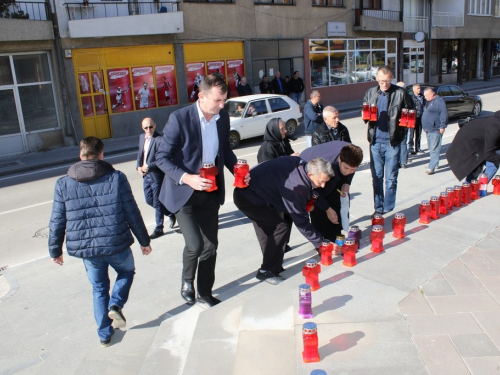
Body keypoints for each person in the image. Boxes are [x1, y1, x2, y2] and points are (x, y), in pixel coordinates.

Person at [156, 74, 249, 308]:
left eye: (224, 101)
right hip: (184, 192)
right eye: (217, 101)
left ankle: (205, 291)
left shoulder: (223, 117)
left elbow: (225, 151)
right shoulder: (180, 118)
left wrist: (238, 169)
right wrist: (187, 178)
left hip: (210, 191)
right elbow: (161, 158)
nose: (221, 106)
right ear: (201, 96)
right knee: (195, 245)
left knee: (211, 246)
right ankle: (187, 281)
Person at [48, 137, 152, 347]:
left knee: (98, 288)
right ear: (101, 155)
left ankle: (104, 335)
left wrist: (54, 250)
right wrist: (144, 240)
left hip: (88, 250)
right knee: (126, 272)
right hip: (116, 243)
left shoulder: (63, 183)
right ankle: (116, 305)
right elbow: (131, 211)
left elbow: (57, 220)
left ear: (81, 155)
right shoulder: (116, 177)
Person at [233, 157, 333, 285]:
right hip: (249, 198)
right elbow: (301, 222)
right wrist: (320, 244)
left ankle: (272, 265)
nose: (323, 185)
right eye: (321, 182)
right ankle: (266, 270)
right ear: (310, 174)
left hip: (260, 194)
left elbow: (309, 191)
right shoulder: (297, 185)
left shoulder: (303, 165)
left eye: (325, 182)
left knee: (269, 230)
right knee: (280, 227)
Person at [363, 65, 414, 217]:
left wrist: (401, 132)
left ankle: (388, 207)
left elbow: (411, 112)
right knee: (377, 177)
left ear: (392, 79)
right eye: (381, 80)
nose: (384, 84)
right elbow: (365, 112)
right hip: (375, 142)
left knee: (391, 178)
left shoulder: (401, 93)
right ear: (376, 79)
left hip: (392, 142)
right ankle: (378, 208)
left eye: (387, 80)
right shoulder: (371, 92)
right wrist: (365, 115)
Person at [301, 142, 363, 241]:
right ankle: (321, 242)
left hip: (334, 170)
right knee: (320, 209)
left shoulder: (351, 153)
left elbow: (349, 169)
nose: (348, 172)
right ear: (340, 159)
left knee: (336, 201)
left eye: (352, 170)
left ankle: (335, 236)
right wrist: (327, 209)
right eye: (346, 168)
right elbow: (314, 191)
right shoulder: (327, 165)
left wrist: (347, 183)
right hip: (313, 171)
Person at [257, 118, 299, 253]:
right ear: (274, 130)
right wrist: (289, 159)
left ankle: (284, 243)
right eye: (282, 129)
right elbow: (269, 169)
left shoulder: (283, 141)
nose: (285, 131)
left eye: (284, 128)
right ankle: (276, 247)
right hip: (272, 191)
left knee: (288, 217)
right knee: (278, 221)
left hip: (286, 187)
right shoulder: (267, 148)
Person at [136, 118, 176, 239]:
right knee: (149, 200)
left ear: (155, 125)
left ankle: (159, 228)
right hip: (146, 176)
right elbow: (140, 153)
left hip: (156, 175)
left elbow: (161, 159)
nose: (148, 130)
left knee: (158, 202)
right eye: (145, 128)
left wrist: (148, 166)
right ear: (142, 128)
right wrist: (138, 166)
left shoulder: (159, 139)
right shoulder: (142, 137)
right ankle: (170, 213)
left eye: (150, 127)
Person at [447, 110, 500, 182]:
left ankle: (477, 188)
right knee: (478, 166)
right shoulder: (495, 128)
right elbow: (489, 155)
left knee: (491, 165)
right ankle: (473, 189)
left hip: (482, 140)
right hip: (469, 143)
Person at [421, 87, 448, 175]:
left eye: (426, 95)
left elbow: (443, 114)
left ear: (432, 94)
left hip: (435, 129)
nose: (425, 97)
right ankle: (435, 163)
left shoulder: (439, 101)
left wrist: (442, 126)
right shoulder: (430, 101)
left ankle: (431, 167)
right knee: (431, 148)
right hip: (428, 129)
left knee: (434, 148)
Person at [396, 81, 410, 169]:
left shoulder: (406, 97)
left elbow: (410, 109)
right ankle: (400, 161)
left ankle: (403, 161)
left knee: (402, 142)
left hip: (403, 122)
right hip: (395, 123)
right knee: (399, 143)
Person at [409, 83, 425, 154]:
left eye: (420, 88)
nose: (419, 90)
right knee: (411, 134)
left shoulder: (422, 96)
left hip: (420, 117)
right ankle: (410, 148)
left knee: (418, 134)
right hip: (413, 118)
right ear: (414, 89)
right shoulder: (411, 97)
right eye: (418, 88)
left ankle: (418, 148)